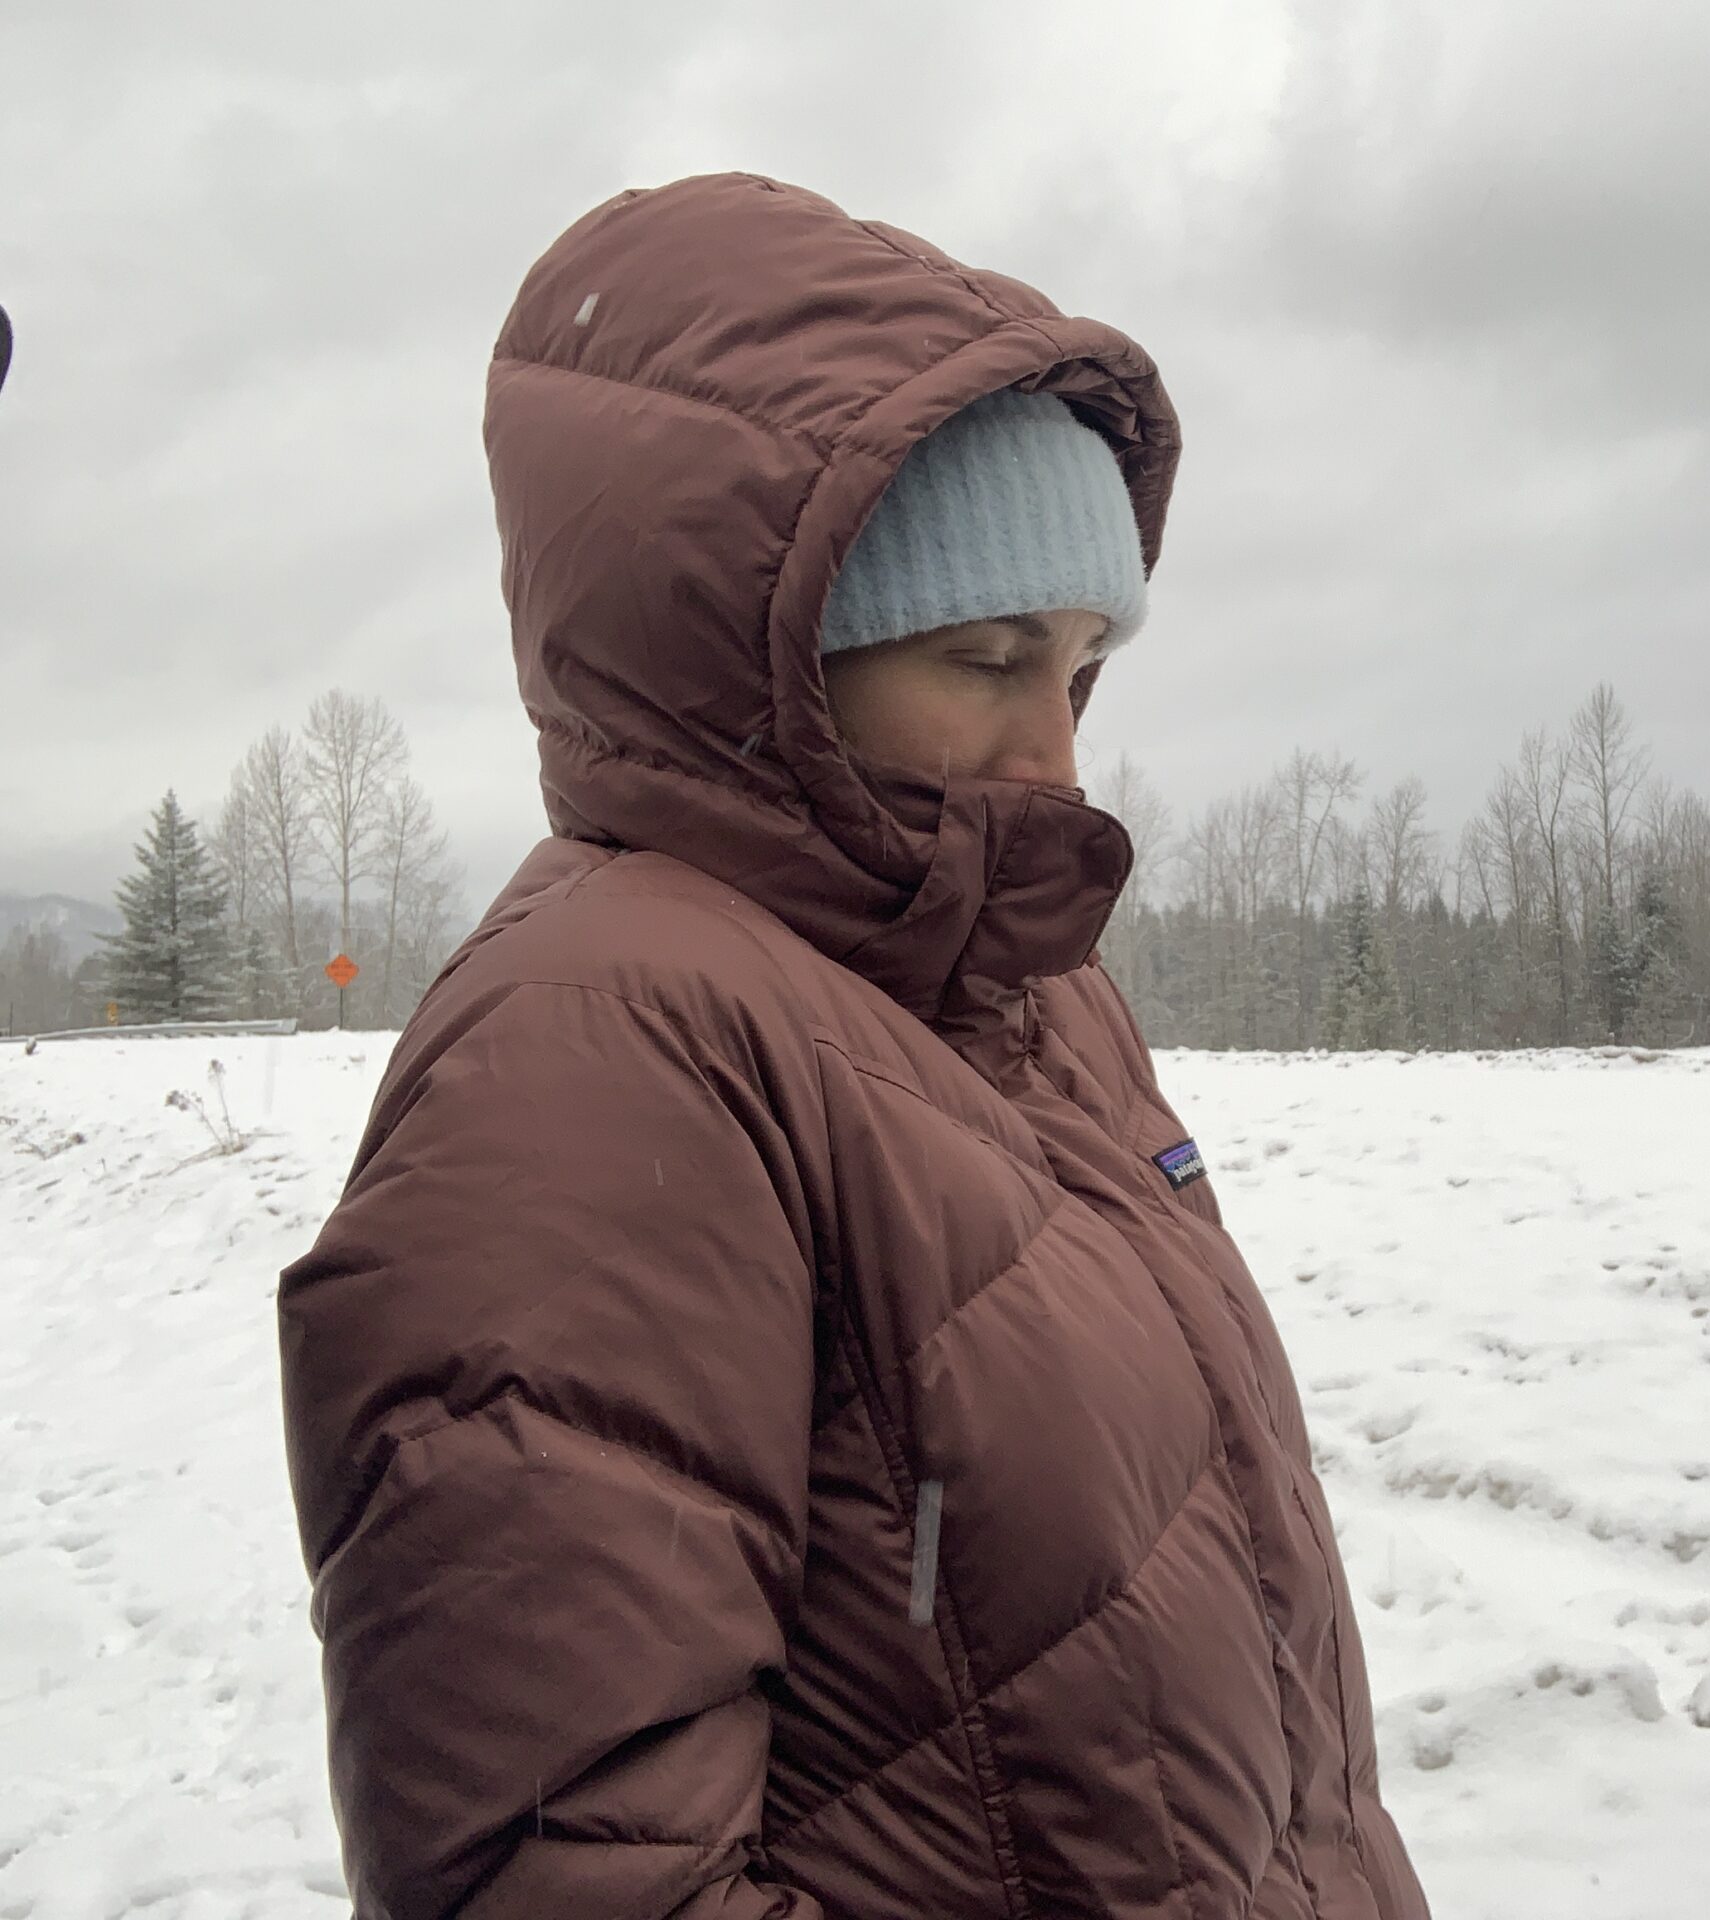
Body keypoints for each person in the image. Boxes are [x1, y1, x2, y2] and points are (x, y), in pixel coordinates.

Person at [277, 173, 1430, 1920]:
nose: (1057, 755)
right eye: (982, 659)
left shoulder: (1016, 995)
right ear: (775, 657)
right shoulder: (600, 1056)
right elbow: (570, 1877)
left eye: (1084, 665)